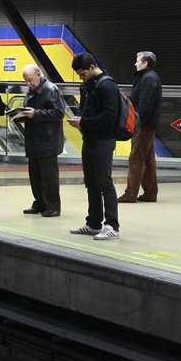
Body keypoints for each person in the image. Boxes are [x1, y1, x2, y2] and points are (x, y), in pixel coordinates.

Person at [68, 52, 120, 240]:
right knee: (91, 183)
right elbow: (86, 109)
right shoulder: (88, 85)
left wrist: (84, 122)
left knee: (105, 182)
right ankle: (94, 223)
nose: (81, 77)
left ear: (92, 67)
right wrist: (80, 119)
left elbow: (109, 116)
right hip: (89, 139)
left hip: (103, 140)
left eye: (83, 74)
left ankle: (112, 225)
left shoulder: (107, 85)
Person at [16, 64, 66, 217]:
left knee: (49, 175)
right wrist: (22, 115)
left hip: (48, 140)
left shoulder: (51, 90)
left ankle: (53, 206)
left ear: (39, 74)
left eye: (30, 79)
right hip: (34, 139)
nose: (28, 83)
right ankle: (40, 202)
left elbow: (59, 112)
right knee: (35, 174)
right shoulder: (32, 91)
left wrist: (36, 114)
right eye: (26, 80)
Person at [120, 51, 162, 203]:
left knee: (136, 158)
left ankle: (130, 194)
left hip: (143, 125)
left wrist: (136, 122)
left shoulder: (148, 78)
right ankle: (150, 193)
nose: (135, 63)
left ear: (145, 63)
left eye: (138, 61)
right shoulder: (147, 77)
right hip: (147, 124)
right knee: (148, 159)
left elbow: (145, 103)